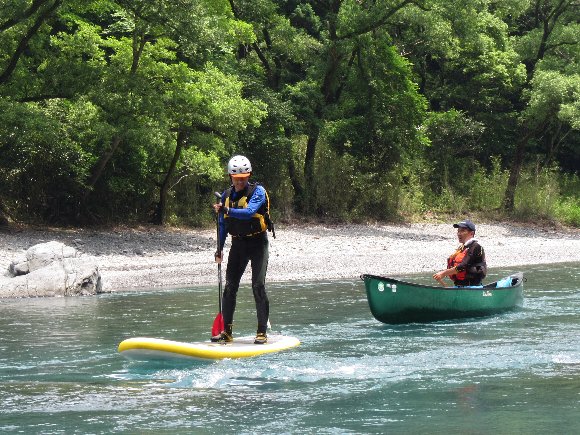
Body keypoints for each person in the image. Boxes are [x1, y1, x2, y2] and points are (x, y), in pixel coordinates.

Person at [211, 155, 275, 344]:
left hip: (258, 243)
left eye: (243, 178)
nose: (240, 182)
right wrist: (219, 249)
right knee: (230, 286)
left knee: (258, 286)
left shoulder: (258, 191)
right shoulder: (226, 196)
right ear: (230, 177)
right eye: (236, 178)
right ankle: (227, 332)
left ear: (249, 176)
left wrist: (226, 210)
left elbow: (248, 213)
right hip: (238, 245)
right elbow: (223, 225)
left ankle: (262, 332)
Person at [433, 219, 487, 287]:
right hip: (459, 286)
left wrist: (443, 273)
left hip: (472, 287)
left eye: (462, 231)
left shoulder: (476, 247)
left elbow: (463, 266)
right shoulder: (462, 248)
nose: (459, 233)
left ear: (471, 233)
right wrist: (442, 273)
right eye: (458, 231)